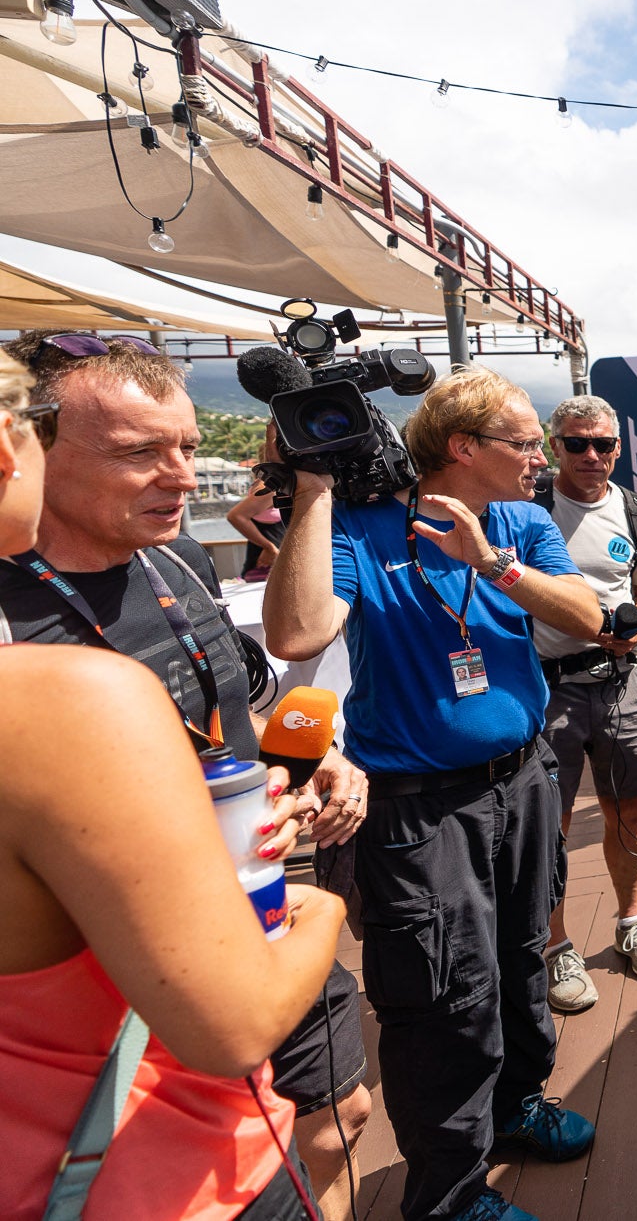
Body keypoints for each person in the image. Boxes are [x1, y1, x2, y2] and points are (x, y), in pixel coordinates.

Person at [0, 332, 375, 1220]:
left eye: (189, 449)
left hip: (254, 905)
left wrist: (316, 756)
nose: (177, 475)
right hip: (125, 999)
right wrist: (325, 907)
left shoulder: (176, 559)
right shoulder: (13, 631)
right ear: (34, 448)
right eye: (139, 453)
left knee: (341, 1116)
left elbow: (239, 696)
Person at [262, 365, 606, 1221]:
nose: (543, 457)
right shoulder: (362, 529)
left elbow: (589, 618)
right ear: (464, 448)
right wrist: (311, 489)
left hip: (521, 783)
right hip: (419, 807)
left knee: (523, 955)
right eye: (527, 443)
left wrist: (491, 564)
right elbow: (296, 631)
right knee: (444, 998)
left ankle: (517, 1105)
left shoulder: (523, 522)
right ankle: (450, 1197)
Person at [533, 395, 637, 1014]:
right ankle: (556, 943)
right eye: (577, 444)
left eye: (605, 445)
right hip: (548, 685)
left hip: (621, 680)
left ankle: (631, 918)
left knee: (628, 809)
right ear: (554, 445)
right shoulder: (527, 508)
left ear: (619, 447)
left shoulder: (635, 510)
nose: (592, 456)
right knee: (550, 823)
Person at [228, 423, 288, 582]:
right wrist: (269, 547)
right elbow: (236, 516)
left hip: (272, 564)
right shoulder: (269, 485)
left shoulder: (274, 484)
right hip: (265, 566)